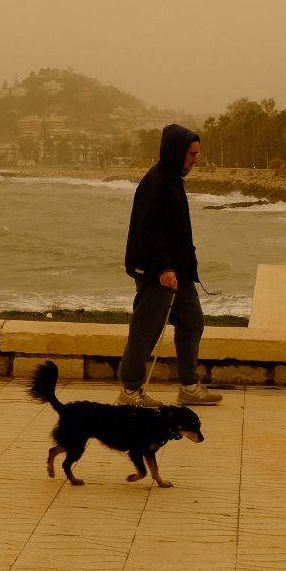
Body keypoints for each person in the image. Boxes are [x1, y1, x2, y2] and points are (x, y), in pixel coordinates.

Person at [118, 124, 222, 407]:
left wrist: (185, 265)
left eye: (197, 154)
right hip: (158, 274)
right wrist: (164, 268)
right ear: (177, 152)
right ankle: (130, 391)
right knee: (145, 331)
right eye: (191, 153)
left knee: (192, 323)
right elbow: (149, 230)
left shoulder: (173, 179)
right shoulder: (156, 182)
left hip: (180, 275)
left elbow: (175, 230)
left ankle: (188, 385)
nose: (195, 160)